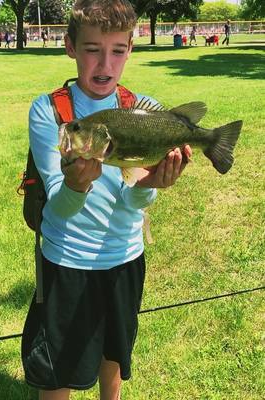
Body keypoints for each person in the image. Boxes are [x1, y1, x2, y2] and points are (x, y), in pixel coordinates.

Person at [21, 1, 192, 400]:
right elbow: (57, 211)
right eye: (92, 49)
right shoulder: (52, 113)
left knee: (113, 355)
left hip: (125, 257)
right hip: (67, 262)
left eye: (117, 50)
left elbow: (133, 202)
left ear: (131, 49)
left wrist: (150, 182)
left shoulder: (139, 109)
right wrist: (77, 185)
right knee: (57, 372)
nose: (105, 64)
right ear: (70, 47)